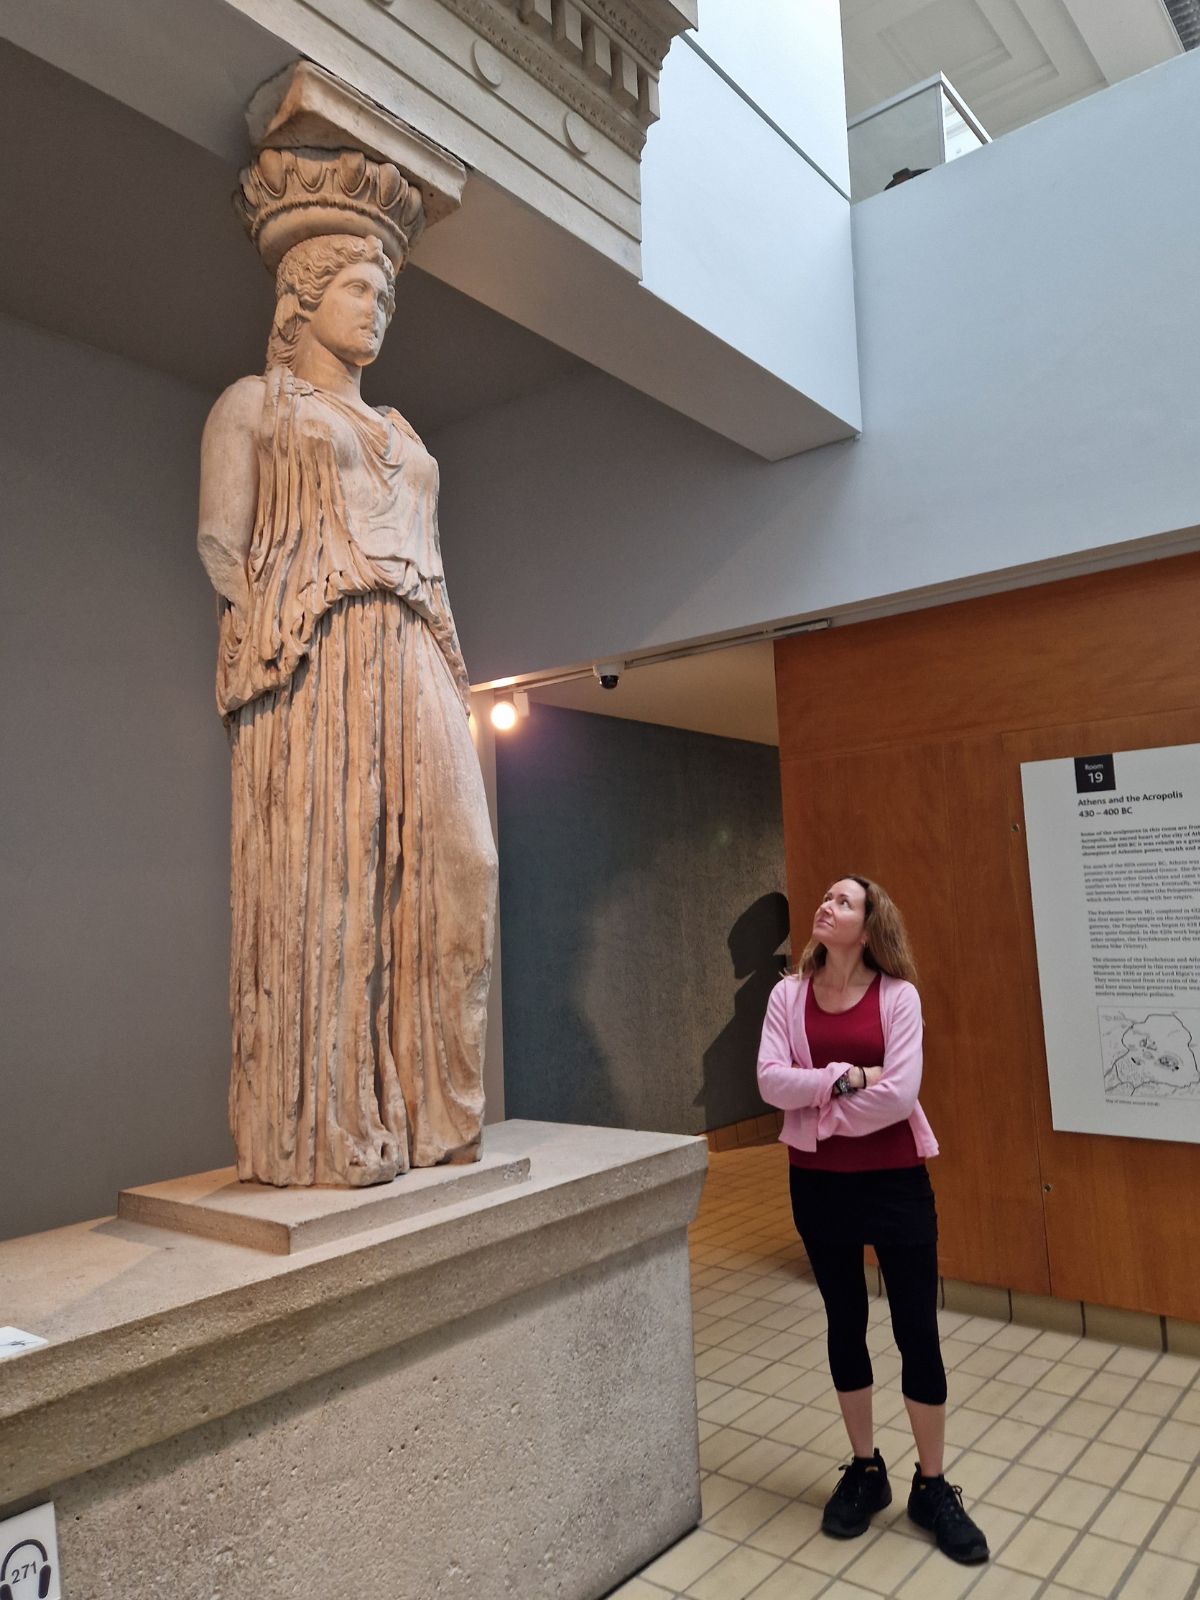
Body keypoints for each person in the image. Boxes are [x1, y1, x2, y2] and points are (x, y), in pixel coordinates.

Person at [197, 209, 497, 1187]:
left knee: (465, 864)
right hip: (319, 650)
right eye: (361, 290)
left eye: (387, 296)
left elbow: (440, 564)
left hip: (416, 641)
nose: (379, 312)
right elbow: (224, 550)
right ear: (305, 297)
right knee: (333, 887)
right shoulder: (255, 406)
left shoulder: (402, 433)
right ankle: (329, 1127)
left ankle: (439, 1108)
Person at [756, 875, 989, 1564]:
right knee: (843, 1323)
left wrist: (816, 1106)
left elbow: (901, 1096)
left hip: (895, 1187)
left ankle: (932, 1483)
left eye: (844, 902)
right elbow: (770, 1081)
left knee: (916, 1328)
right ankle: (865, 1470)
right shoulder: (786, 994)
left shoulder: (900, 997)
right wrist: (848, 1077)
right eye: (825, 899)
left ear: (869, 925)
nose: (827, 906)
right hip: (818, 1187)